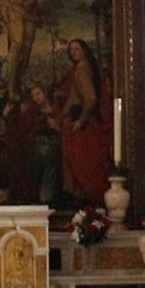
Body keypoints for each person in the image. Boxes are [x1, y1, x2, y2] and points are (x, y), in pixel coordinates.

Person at [55, 39, 109, 203]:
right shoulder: (86, 68)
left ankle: (87, 202)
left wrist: (80, 121)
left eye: (77, 49)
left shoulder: (81, 69)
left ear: (84, 50)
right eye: (71, 50)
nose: (74, 52)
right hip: (80, 121)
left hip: (81, 126)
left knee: (81, 166)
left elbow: (91, 97)